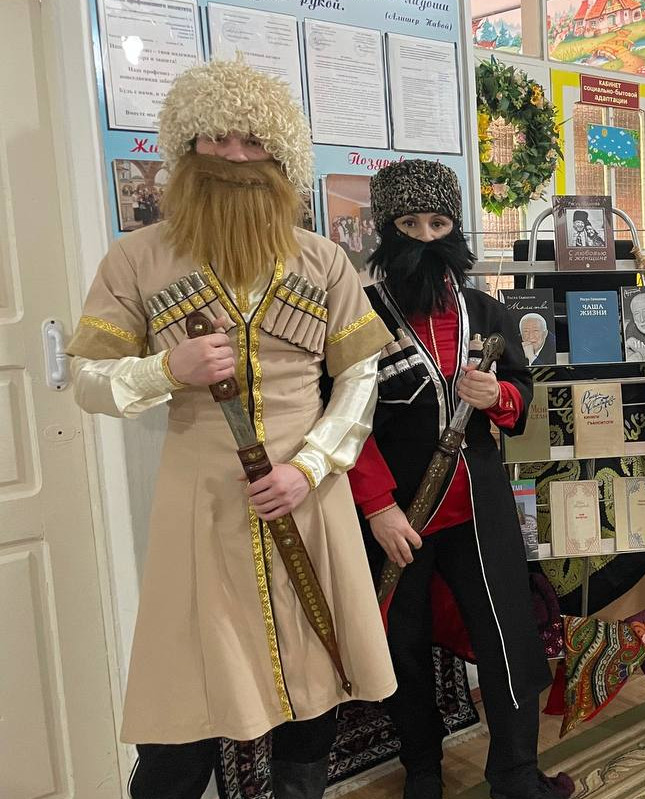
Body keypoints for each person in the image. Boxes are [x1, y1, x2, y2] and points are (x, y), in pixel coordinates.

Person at [65, 60, 396, 799]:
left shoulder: (323, 260)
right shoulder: (137, 259)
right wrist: (166, 368)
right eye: (215, 138)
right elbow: (87, 380)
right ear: (185, 148)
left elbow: (359, 377)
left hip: (308, 502)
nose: (234, 156)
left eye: (253, 141)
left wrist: (310, 466)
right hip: (201, 512)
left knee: (315, 689)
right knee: (184, 710)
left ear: (280, 157)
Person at [348, 159, 571, 799]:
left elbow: (522, 394)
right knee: (401, 643)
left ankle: (516, 776)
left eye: (438, 223)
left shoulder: (487, 312)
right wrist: (377, 506)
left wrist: (498, 395)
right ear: (387, 231)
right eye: (410, 224)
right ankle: (422, 769)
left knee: (510, 639)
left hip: (478, 507)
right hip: (396, 518)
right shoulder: (360, 318)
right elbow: (342, 419)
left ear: (456, 229)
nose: (425, 237)